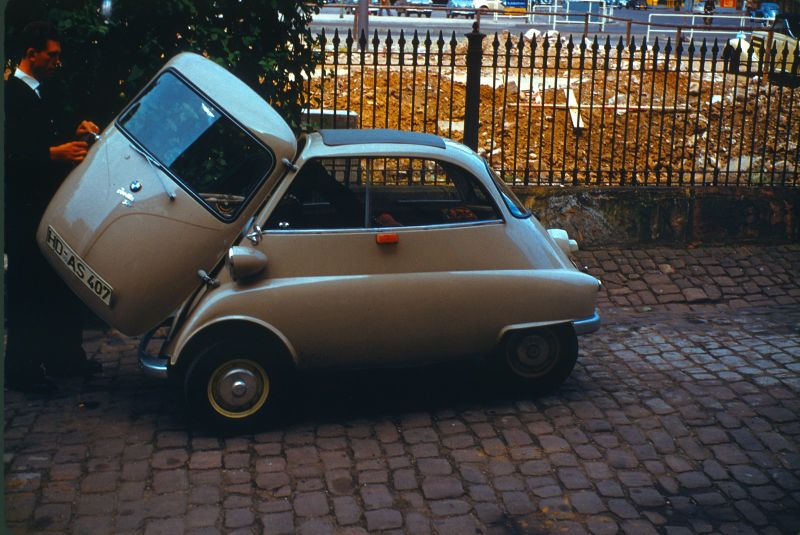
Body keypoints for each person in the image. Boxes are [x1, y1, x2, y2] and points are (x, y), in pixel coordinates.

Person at [5, 21, 102, 392]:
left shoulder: (43, 92)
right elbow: (12, 156)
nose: (57, 62)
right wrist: (53, 153)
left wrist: (75, 135)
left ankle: (64, 359)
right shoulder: (10, 95)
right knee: (29, 293)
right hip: (24, 213)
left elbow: (48, 137)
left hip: (51, 210)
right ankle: (23, 372)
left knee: (60, 285)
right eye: (53, 55)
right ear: (32, 54)